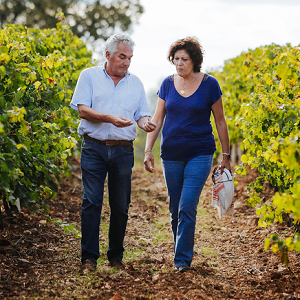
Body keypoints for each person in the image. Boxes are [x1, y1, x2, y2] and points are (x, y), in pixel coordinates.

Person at [144, 37, 231, 273]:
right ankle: (180, 249)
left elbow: (220, 121)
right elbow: (157, 118)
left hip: (200, 153)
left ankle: (182, 261)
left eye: (184, 59)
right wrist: (147, 150)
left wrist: (226, 155)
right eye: (176, 59)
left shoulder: (210, 84)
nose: (179, 64)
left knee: (187, 206)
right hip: (170, 154)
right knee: (175, 208)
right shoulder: (167, 84)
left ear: (195, 61)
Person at [70, 33, 156, 272]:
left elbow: (141, 115)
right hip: (93, 147)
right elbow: (83, 110)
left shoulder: (136, 83)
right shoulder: (88, 76)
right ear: (107, 55)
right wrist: (109, 118)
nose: (126, 62)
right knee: (92, 202)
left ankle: (115, 256)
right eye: (122, 56)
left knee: (120, 205)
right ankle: (89, 258)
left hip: (122, 151)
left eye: (129, 58)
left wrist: (145, 123)